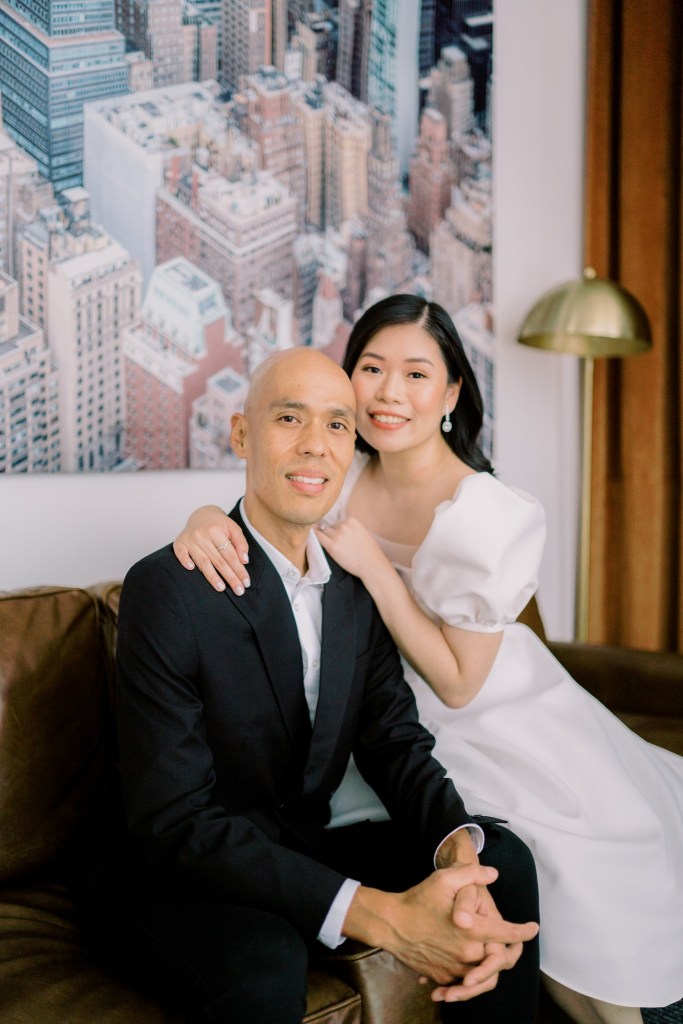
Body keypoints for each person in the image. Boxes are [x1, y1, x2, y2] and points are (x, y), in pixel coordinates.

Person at [174, 295, 683, 1024]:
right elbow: (263, 512)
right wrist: (201, 519)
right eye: (371, 369)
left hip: (483, 708)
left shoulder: (488, 512)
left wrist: (375, 570)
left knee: (562, 862)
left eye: (416, 374)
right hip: (382, 707)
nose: (389, 392)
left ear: (450, 394)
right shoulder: (343, 470)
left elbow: (459, 683)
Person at [85, 346, 541, 1024]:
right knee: (266, 962)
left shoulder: (352, 588)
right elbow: (176, 821)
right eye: (289, 418)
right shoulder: (170, 587)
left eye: (336, 424)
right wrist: (378, 914)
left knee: (497, 862)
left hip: (295, 838)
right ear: (241, 435)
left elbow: (394, 743)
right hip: (173, 864)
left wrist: (455, 857)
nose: (315, 445)